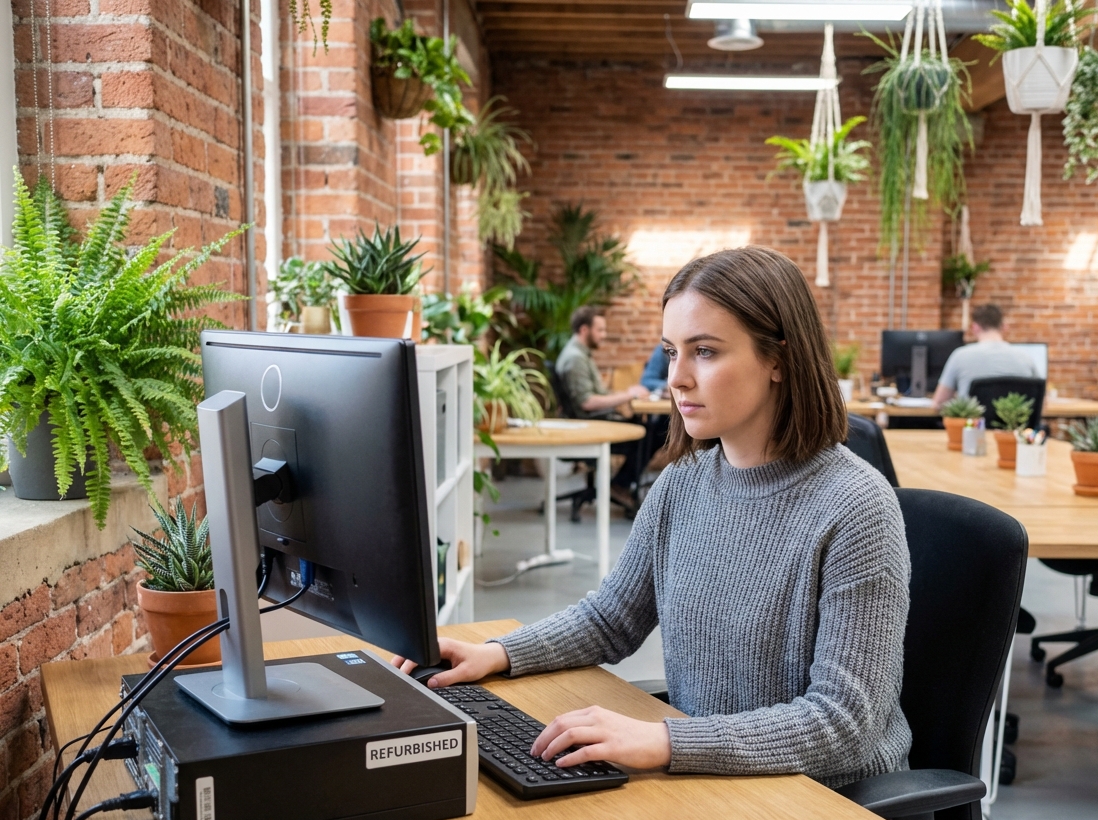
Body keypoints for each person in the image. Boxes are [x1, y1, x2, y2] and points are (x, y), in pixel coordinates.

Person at [395, 246, 912, 789]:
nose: (677, 379)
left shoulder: (856, 506)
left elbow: (844, 724)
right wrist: (495, 654)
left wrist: (665, 741)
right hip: (716, 780)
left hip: (828, 804)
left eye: (705, 352)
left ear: (779, 360)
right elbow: (612, 618)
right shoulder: (682, 484)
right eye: (671, 352)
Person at [556, 306, 650, 503]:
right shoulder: (575, 359)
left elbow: (596, 395)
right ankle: (620, 485)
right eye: (600, 330)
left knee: (648, 428)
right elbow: (588, 402)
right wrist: (627, 395)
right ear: (584, 330)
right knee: (648, 435)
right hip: (589, 426)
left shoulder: (581, 355)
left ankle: (621, 484)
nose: (603, 335)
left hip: (594, 420)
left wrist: (626, 394)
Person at [932, 303, 1040, 407]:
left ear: (974, 327)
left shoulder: (960, 356)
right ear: (1004, 327)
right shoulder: (1025, 358)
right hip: (1014, 425)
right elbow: (1041, 402)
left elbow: (939, 402)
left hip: (973, 425)